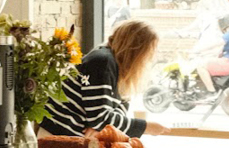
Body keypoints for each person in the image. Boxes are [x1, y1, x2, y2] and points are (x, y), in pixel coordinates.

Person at [40, 19, 170, 139]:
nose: (151, 57)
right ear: (136, 50)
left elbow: (118, 108)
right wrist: (146, 127)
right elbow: (100, 119)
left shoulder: (116, 66)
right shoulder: (102, 62)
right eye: (149, 51)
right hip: (58, 136)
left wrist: (102, 126)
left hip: (73, 137)